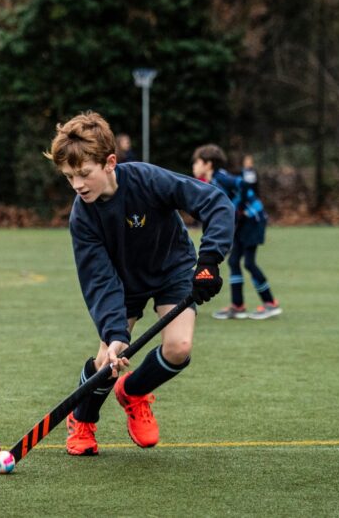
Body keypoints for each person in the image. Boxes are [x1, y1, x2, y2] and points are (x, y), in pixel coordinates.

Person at [43, 112, 233, 457]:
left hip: (171, 268)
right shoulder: (82, 217)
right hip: (122, 282)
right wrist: (116, 335)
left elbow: (215, 202)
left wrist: (208, 262)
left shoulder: (147, 179)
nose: (77, 185)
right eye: (69, 177)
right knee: (106, 362)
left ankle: (133, 392)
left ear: (110, 163)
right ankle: (83, 418)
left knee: (179, 346)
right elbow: (98, 279)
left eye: (84, 174)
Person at [192, 146, 281, 320]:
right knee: (234, 261)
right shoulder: (213, 181)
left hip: (253, 220)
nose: (194, 166)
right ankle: (237, 306)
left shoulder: (221, 178)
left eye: (197, 162)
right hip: (243, 223)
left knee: (248, 263)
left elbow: (243, 184)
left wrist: (235, 206)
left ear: (208, 164)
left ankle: (270, 303)